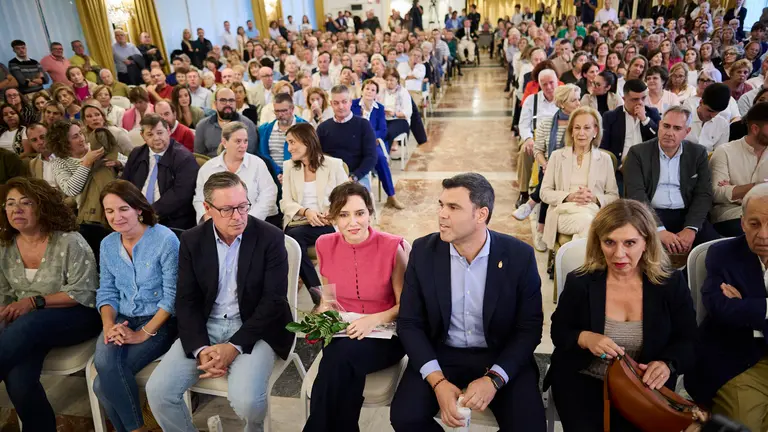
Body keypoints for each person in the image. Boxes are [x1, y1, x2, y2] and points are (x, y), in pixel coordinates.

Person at [391, 173, 546, 431]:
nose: (442, 214)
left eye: (453, 207)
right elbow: (409, 323)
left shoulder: (519, 256)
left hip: (499, 353)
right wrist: (437, 382)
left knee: (529, 426)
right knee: (405, 418)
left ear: (481, 214)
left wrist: (494, 379)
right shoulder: (423, 251)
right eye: (441, 205)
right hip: (442, 353)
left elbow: (529, 328)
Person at [146, 170, 293, 432]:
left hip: (256, 327)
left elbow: (274, 301)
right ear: (207, 208)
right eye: (227, 209)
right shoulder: (192, 240)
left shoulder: (270, 237)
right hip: (207, 325)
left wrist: (234, 346)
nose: (238, 216)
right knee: (158, 392)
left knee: (248, 402)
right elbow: (187, 301)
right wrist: (201, 348)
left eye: (243, 206)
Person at [546, 199, 697, 431]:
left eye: (630, 243)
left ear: (646, 242)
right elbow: (559, 332)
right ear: (598, 242)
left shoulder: (670, 284)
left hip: (641, 386)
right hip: (583, 380)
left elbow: (688, 339)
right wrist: (586, 338)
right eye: (609, 242)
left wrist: (667, 364)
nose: (619, 254)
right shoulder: (581, 282)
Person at [0, 176, 102, 430]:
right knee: (19, 379)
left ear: (42, 206)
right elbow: (4, 295)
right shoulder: (5, 246)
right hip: (26, 327)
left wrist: (33, 302)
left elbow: (85, 291)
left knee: (31, 322)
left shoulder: (69, 241)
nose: (16, 210)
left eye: (26, 203)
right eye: (10, 204)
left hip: (77, 313)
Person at [304, 180, 408, 430]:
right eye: (344, 215)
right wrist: (323, 313)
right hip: (345, 329)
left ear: (370, 214)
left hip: (387, 333)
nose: (353, 222)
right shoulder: (324, 245)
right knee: (339, 365)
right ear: (334, 219)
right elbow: (329, 298)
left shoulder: (393, 247)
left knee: (337, 361)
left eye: (360, 213)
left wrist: (372, 320)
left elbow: (405, 306)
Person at [93, 180, 179, 432]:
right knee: (106, 365)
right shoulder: (108, 244)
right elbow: (106, 291)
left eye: (123, 209)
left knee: (102, 385)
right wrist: (109, 325)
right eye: (109, 211)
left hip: (160, 320)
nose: (116, 217)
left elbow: (173, 297)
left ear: (139, 209)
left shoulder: (165, 240)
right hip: (121, 319)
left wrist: (143, 333)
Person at [685, 182, 768, 432]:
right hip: (738, 361)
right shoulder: (722, 254)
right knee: (744, 428)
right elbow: (720, 308)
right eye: (755, 224)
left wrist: (746, 306)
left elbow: (735, 310)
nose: (763, 234)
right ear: (742, 223)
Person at [624, 106, 720, 256]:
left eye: (677, 128)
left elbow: (703, 194)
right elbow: (636, 195)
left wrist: (691, 228)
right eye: (666, 126)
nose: (669, 133)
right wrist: (658, 229)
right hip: (649, 214)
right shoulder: (638, 153)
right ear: (660, 124)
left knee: (718, 250)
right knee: (644, 253)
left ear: (686, 132)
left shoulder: (697, 153)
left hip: (686, 214)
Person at [280, 123, 347, 300]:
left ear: (307, 142)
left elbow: (348, 196)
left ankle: (320, 297)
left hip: (327, 222)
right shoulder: (289, 167)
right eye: (288, 143)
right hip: (300, 221)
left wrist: (331, 214)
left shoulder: (333, 165)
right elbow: (285, 202)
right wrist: (306, 211)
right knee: (293, 237)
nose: (289, 148)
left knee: (294, 237)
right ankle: (321, 296)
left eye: (293, 142)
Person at [540, 106, 620, 250]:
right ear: (571, 131)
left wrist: (594, 198)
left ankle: (570, 266)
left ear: (595, 131)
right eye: (577, 128)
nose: (581, 133)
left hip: (592, 210)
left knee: (588, 225)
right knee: (589, 223)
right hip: (563, 212)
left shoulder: (605, 159)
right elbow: (544, 192)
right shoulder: (557, 156)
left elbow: (614, 196)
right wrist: (569, 196)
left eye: (587, 128)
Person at [121, 114, 199, 230]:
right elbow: (124, 184)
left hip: (172, 221)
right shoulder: (137, 154)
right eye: (150, 134)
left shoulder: (184, 158)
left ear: (168, 131)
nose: (156, 138)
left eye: (160, 132)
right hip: (136, 217)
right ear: (143, 136)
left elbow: (180, 196)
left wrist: (147, 214)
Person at [194, 120, 279, 226]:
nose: (243, 145)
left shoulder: (257, 164)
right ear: (224, 142)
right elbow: (200, 199)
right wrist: (209, 219)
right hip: (220, 224)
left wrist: (247, 219)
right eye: (238, 141)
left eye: (245, 141)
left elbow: (269, 195)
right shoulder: (208, 168)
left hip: (257, 222)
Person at [709, 103, 768, 237]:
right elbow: (717, 193)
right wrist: (758, 187)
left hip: (765, 213)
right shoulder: (725, 152)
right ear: (754, 129)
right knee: (751, 230)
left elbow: (726, 191)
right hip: (732, 214)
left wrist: (735, 190)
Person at [353, 79, 406, 210]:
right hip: (354, 142)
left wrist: (371, 137)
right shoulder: (353, 105)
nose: (369, 92)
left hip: (372, 143)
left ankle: (391, 195)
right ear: (362, 90)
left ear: (376, 94)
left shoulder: (379, 108)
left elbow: (382, 130)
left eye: (373, 90)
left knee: (381, 158)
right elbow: (351, 124)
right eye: (367, 89)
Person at [317, 85, 377, 190]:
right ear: (331, 104)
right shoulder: (323, 128)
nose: (340, 107)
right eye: (336, 103)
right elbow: (317, 155)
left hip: (357, 176)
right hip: (330, 177)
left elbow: (371, 157)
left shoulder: (363, 125)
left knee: (357, 201)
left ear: (350, 102)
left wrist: (354, 177)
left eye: (344, 102)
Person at [516, 69, 559, 210]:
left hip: (557, 138)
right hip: (535, 136)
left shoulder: (563, 99)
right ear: (539, 84)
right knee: (525, 151)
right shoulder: (532, 100)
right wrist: (528, 138)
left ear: (557, 81)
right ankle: (523, 192)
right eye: (544, 84)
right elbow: (523, 124)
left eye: (551, 83)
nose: (548, 87)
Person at [600, 79, 661, 165]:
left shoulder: (652, 113)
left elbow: (660, 139)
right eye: (635, 99)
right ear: (624, 99)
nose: (640, 103)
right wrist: (618, 166)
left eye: (643, 98)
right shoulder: (610, 117)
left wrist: (645, 120)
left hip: (647, 166)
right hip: (620, 166)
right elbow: (604, 148)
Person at [195, 88, 259, 157]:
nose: (228, 104)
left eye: (231, 100)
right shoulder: (202, 126)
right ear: (215, 104)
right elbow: (200, 156)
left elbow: (250, 154)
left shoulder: (248, 125)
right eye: (223, 100)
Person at [258, 92, 307, 179]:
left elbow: (309, 154)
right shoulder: (265, 130)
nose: (280, 115)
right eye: (277, 111)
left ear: (292, 109)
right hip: (272, 176)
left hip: (299, 175)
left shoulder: (305, 128)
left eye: (284, 111)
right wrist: (277, 173)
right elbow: (264, 155)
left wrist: (288, 174)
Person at [684, 83, 731, 152]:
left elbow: (719, 153)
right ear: (701, 102)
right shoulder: (683, 118)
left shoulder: (723, 124)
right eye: (709, 110)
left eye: (717, 112)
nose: (712, 116)